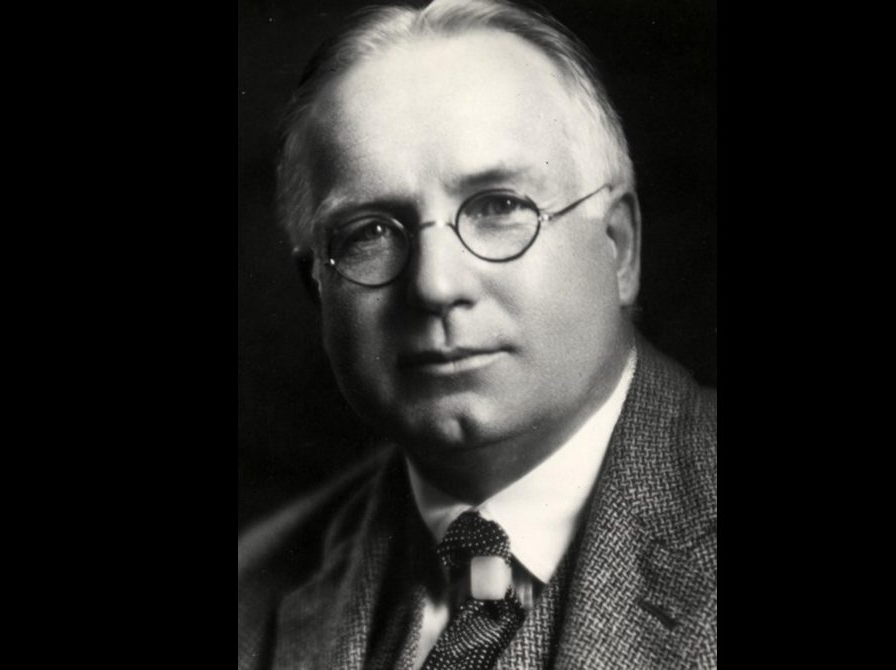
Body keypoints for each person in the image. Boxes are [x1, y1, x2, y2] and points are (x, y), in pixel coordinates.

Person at [238, 0, 716, 667]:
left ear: (617, 247)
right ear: (316, 286)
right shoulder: (250, 588)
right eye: (369, 232)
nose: (436, 286)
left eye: (498, 207)